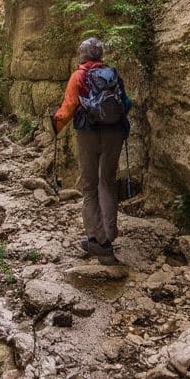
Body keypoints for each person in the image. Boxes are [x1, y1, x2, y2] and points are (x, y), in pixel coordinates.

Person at [52, 37, 131, 260]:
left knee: (89, 187)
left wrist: (55, 123)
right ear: (101, 55)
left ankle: (98, 241)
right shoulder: (113, 75)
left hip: (88, 134)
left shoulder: (79, 76)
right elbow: (126, 103)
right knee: (107, 181)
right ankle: (110, 233)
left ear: (83, 55)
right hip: (114, 133)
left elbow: (67, 109)